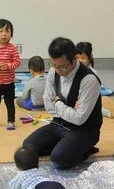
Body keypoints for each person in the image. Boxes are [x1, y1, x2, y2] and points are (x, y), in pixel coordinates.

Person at [23, 37, 102, 169]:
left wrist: (58, 102)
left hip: (84, 130)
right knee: (28, 147)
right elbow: (47, 103)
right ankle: (66, 145)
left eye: (63, 66)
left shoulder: (89, 80)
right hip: (58, 123)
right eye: (54, 65)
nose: (58, 70)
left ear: (75, 59)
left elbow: (79, 119)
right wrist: (67, 109)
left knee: (59, 159)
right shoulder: (54, 72)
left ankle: (85, 149)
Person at [75, 41, 112, 118]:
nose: (80, 61)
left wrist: (81, 101)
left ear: (90, 57)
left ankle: (101, 111)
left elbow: (91, 94)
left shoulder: (92, 73)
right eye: (77, 58)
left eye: (83, 58)